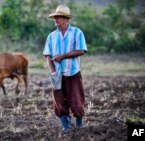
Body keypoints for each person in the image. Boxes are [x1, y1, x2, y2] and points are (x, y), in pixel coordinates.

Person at [43, 5, 87, 133]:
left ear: (65, 19)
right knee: (59, 101)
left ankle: (79, 126)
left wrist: (63, 56)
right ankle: (66, 127)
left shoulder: (77, 32)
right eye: (55, 17)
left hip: (73, 72)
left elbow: (81, 50)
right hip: (58, 74)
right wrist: (53, 72)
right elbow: (48, 56)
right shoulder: (51, 36)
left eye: (58, 17)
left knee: (76, 100)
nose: (55, 19)